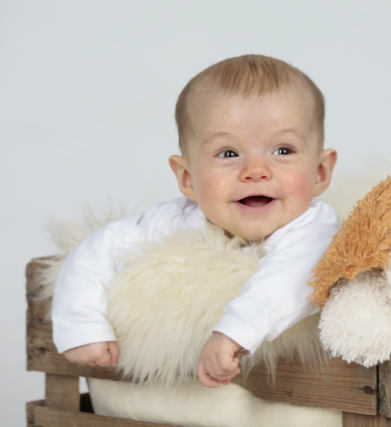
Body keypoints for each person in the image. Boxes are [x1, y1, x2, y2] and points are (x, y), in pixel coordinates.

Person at [52, 54, 339, 388]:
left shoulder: (314, 231)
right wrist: (82, 324)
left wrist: (232, 333)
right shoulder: (172, 224)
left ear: (320, 172)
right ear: (188, 178)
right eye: (229, 153)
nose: (256, 170)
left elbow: (288, 281)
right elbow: (94, 250)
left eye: (283, 150)